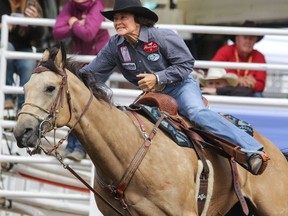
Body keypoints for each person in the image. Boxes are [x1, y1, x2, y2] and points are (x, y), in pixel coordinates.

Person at [77, 0, 268, 175]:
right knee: (134, 126)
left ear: (138, 20)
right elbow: (92, 73)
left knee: (197, 113)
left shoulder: (162, 36)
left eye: (123, 18)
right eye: (116, 18)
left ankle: (252, 149)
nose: (118, 22)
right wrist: (64, 75)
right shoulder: (115, 45)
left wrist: (158, 77)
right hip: (152, 95)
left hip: (181, 87)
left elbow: (186, 65)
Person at [53, 0, 110, 161]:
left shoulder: (97, 5)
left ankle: (78, 148)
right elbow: (57, 32)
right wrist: (78, 24)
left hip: (100, 60)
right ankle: (72, 147)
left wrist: (72, 22)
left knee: (83, 100)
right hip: (82, 62)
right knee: (75, 100)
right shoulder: (71, 5)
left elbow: (88, 33)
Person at [0, 0, 44, 111]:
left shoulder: (32, 3)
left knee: (28, 64)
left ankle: (22, 106)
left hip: (25, 47)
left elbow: (40, 35)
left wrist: (35, 22)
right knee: (6, 49)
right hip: (4, 45)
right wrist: (3, 27)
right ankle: (7, 98)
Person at [212, 20, 267, 97]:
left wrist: (251, 85)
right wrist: (236, 79)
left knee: (258, 95)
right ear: (236, 38)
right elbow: (214, 71)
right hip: (227, 91)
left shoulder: (259, 56)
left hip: (249, 92)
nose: (248, 41)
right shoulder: (225, 51)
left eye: (251, 38)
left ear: (255, 41)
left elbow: (261, 85)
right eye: (245, 37)